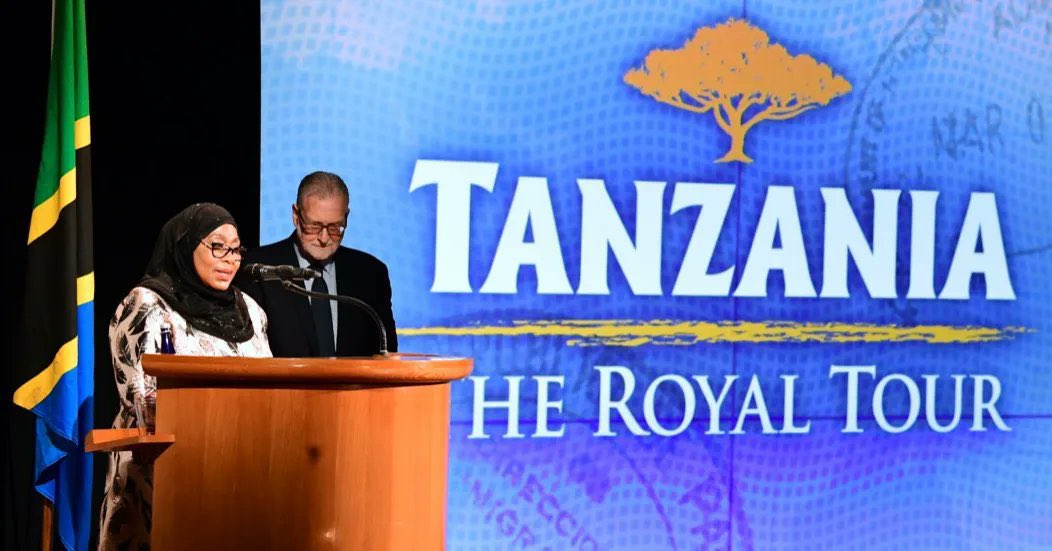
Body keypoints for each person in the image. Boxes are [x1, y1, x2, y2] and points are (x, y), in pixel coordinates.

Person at [98, 203, 272, 550]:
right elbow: (142, 398)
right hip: (161, 477)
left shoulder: (250, 310)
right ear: (185, 245)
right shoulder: (147, 304)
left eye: (236, 249)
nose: (230, 259)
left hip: (236, 473)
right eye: (217, 246)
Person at [239, 171, 397, 357]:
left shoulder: (371, 274)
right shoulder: (259, 270)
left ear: (346, 217)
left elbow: (387, 354)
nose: (323, 238)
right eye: (314, 226)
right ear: (296, 216)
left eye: (335, 227)